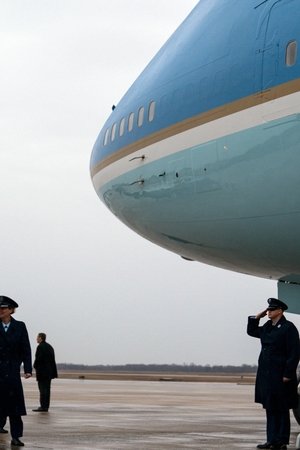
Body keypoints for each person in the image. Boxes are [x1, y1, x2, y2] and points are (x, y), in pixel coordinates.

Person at [247, 298, 300, 450]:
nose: (268, 311)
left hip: (281, 375)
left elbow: (294, 353)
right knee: (270, 408)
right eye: (268, 309)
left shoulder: (288, 328)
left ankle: (281, 441)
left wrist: (288, 374)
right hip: (267, 375)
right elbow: (251, 331)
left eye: (272, 309)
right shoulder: (267, 327)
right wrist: (257, 317)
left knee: (282, 408)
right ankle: (271, 440)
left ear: (280, 311)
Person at [0, 295, 32, 447]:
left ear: (11, 310)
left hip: (12, 373)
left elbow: (26, 348)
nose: (1, 311)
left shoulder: (20, 326)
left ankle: (16, 436)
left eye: (4, 308)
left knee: (15, 408)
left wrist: (27, 369)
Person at [32, 332, 57, 412]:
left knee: (43, 390)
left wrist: (35, 366)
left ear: (40, 338)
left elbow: (39, 359)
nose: (36, 339)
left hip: (42, 372)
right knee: (47, 389)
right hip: (49, 373)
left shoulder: (40, 347)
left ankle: (43, 406)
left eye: (37, 337)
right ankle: (46, 406)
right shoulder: (50, 347)